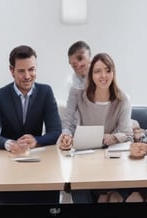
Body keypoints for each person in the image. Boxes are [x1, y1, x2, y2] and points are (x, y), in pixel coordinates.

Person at [57, 53, 135, 203]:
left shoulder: (122, 99)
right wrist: (66, 136)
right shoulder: (77, 94)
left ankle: (107, 195)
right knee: (79, 188)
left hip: (112, 157)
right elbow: (66, 124)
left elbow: (127, 133)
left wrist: (111, 137)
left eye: (107, 70)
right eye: (98, 71)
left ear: (113, 73)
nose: (103, 75)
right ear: (91, 74)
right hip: (85, 156)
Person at [0, 45, 62, 154]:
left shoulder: (46, 92)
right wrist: (9, 144)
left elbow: (56, 131)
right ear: (12, 70)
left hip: (37, 155)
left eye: (31, 69)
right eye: (21, 71)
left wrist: (36, 141)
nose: (27, 76)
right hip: (9, 156)